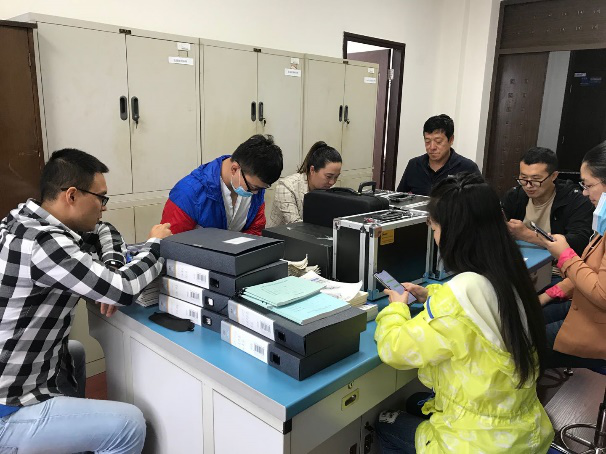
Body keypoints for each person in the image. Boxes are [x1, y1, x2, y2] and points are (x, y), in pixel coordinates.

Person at [0, 148, 172, 453]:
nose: (104, 207)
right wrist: (156, 245)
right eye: (101, 198)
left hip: (16, 377)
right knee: (130, 424)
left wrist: (112, 266)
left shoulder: (23, 220)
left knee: (75, 353)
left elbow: (105, 230)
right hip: (8, 407)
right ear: (71, 195)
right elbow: (122, 289)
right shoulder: (43, 244)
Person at [374, 173, 553, 453]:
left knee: (385, 423)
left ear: (453, 233)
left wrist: (396, 307)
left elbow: (394, 349)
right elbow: (479, 304)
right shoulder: (510, 273)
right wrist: (431, 294)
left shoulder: (458, 295)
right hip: (522, 432)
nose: (435, 237)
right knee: (414, 401)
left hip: (475, 445)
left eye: (435, 229)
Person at [537, 141, 606, 369]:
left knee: (526, 341)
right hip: (585, 305)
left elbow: (602, 295)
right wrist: (547, 296)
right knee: (531, 318)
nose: (585, 193)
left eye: (588, 185)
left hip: (597, 322)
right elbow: (590, 270)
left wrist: (565, 255)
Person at [161, 134, 283, 235]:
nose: (255, 193)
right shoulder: (188, 193)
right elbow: (171, 244)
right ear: (234, 169)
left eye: (261, 188)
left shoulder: (254, 186)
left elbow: (255, 232)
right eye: (253, 187)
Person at [502, 146, 593, 256]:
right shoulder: (514, 196)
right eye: (524, 178)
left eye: (536, 179)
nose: (528, 186)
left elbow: (580, 241)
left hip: (558, 263)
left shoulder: (575, 200)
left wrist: (528, 235)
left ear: (553, 176)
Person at [396, 114, 479, 196]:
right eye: (427, 141)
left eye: (438, 141)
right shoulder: (414, 165)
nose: (432, 147)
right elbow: (398, 197)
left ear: (451, 140)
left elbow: (478, 201)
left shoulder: (467, 168)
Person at [267, 141, 342, 227]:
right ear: (312, 170)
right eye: (328, 176)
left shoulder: (330, 188)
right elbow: (296, 226)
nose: (332, 182)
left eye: (336, 177)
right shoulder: (286, 187)